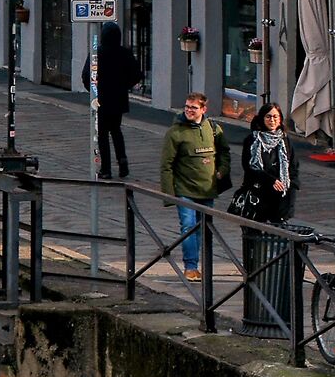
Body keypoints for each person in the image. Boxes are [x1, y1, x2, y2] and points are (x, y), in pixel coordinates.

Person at [159, 92, 232, 280]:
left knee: (203, 229)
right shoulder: (175, 133)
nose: (189, 111)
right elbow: (166, 165)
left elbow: (225, 152)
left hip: (208, 190)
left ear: (204, 109)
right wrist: (169, 195)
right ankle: (190, 266)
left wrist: (222, 171)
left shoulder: (214, 129)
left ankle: (201, 266)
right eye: (187, 107)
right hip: (185, 191)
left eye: (194, 107)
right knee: (188, 227)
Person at [86, 23, 143, 180]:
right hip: (118, 98)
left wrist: (93, 91)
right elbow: (137, 74)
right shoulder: (124, 53)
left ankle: (106, 169)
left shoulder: (97, 53)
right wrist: (124, 85)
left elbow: (86, 75)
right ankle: (122, 162)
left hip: (101, 99)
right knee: (116, 130)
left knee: (102, 134)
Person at [239, 101, 297, 223]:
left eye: (275, 116)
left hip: (280, 196)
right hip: (258, 195)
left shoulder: (285, 140)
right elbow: (248, 167)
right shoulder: (252, 140)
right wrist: (270, 180)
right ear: (262, 118)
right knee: (255, 234)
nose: (272, 120)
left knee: (278, 234)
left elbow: (293, 167)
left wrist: (290, 191)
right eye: (268, 116)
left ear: (280, 119)